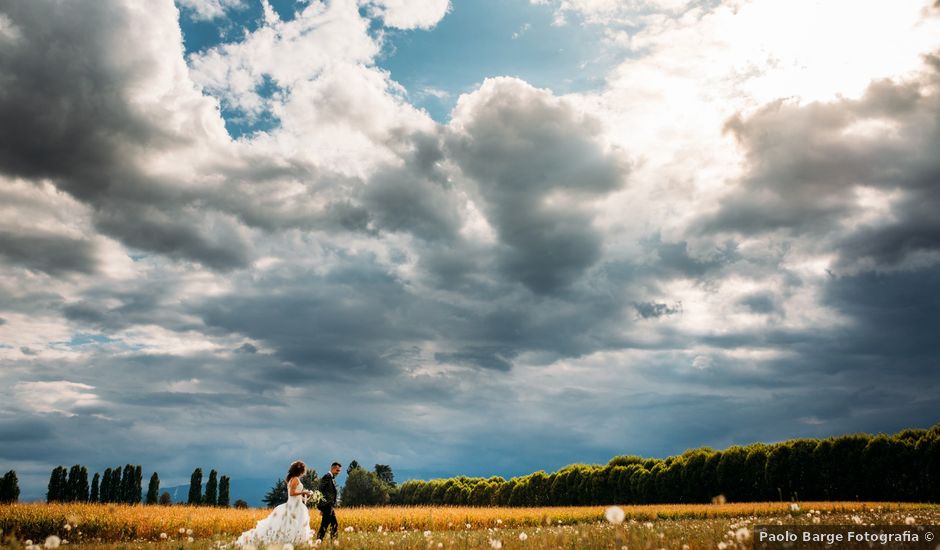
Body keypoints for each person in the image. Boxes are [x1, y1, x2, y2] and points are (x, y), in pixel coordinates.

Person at [235, 461, 314, 547]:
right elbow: (292, 493)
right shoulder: (295, 479)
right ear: (300, 471)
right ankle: (292, 542)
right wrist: (304, 491)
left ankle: (294, 543)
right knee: (292, 525)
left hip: (296, 505)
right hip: (293, 506)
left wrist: (306, 495)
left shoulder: (292, 479)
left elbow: (296, 494)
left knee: (292, 525)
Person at [316, 462, 341, 540]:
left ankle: (333, 541)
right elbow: (320, 489)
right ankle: (319, 541)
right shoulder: (327, 476)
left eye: (339, 471)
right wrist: (322, 506)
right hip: (327, 505)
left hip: (329, 506)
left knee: (334, 524)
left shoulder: (331, 477)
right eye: (337, 470)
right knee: (325, 524)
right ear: (333, 469)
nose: (338, 472)